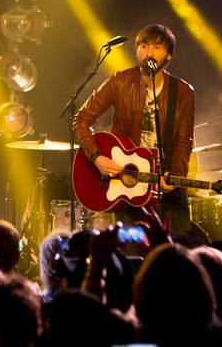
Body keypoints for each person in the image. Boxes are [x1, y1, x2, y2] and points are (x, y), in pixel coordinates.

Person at [73, 24, 195, 231]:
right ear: (137, 51)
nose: (149, 53)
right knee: (131, 250)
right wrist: (96, 157)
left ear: (169, 54)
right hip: (127, 184)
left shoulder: (183, 92)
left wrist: (175, 177)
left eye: (157, 47)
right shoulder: (119, 81)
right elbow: (82, 118)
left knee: (179, 248)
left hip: (166, 188)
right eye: (144, 46)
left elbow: (183, 143)